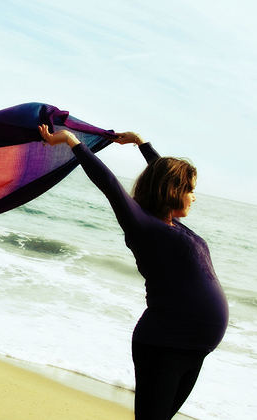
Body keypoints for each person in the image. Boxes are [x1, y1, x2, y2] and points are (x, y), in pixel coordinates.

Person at [38, 125, 229, 420]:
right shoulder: (143, 226)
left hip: (194, 349)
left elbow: (163, 174)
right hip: (165, 345)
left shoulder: (173, 226)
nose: (194, 197)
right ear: (174, 191)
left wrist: (142, 144)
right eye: (190, 190)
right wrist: (72, 142)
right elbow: (109, 184)